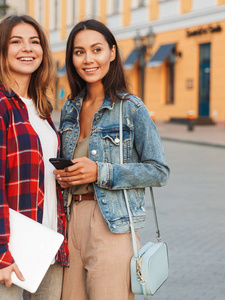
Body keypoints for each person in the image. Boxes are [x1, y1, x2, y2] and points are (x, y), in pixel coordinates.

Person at [53, 19, 170, 300]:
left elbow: (158, 171)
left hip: (112, 226)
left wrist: (101, 172)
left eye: (97, 50)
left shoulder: (131, 108)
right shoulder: (70, 108)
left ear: (112, 53)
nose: (88, 59)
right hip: (70, 223)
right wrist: (64, 176)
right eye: (79, 52)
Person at [0, 15, 68, 300]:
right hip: (8, 250)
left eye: (35, 42)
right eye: (16, 41)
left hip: (48, 246)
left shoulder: (40, 108)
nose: (28, 48)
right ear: (1, 50)